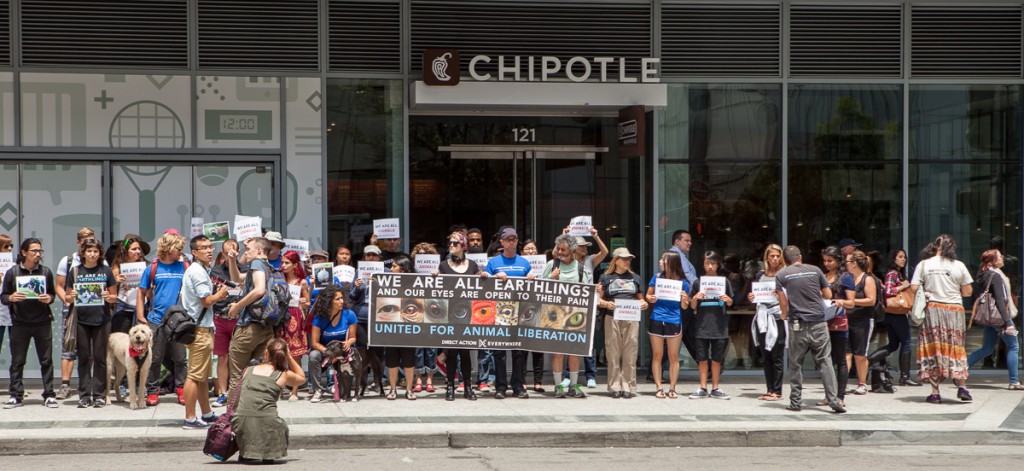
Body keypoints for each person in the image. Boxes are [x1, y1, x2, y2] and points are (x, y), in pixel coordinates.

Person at [775, 245, 845, 413]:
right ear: (800, 257)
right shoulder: (815, 270)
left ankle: (795, 402)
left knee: (795, 364)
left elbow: (783, 302)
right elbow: (828, 295)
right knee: (825, 361)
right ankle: (834, 401)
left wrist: (784, 315)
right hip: (819, 323)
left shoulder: (781, 275)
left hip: (797, 323)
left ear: (784, 260)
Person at [911, 234, 974, 404]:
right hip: (954, 310)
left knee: (932, 347)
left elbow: (914, 287)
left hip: (933, 310)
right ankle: (962, 387)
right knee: (956, 347)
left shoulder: (924, 264)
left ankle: (935, 392)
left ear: (935, 246)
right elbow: (967, 292)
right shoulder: (959, 265)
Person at [0, 238, 58, 408]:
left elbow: (52, 294)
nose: (37, 254)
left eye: (40, 251)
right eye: (34, 251)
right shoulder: (13, 272)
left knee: (46, 360)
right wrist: (11, 298)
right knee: (17, 360)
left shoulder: (45, 272)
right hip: (20, 322)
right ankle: (16, 394)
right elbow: (3, 296)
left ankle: (49, 394)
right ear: (24, 252)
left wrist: (49, 298)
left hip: (42, 322)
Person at [61, 238, 117, 408]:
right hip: (81, 320)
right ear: (83, 253)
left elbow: (114, 296)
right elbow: (68, 297)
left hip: (102, 319)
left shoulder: (106, 271)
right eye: (89, 251)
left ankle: (99, 395)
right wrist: (72, 297)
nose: (92, 254)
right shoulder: (76, 271)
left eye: (95, 251)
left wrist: (109, 297)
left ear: (100, 253)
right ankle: (84, 395)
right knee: (84, 357)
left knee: (100, 358)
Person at [231, 338, 305, 463]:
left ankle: (247, 450)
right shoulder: (283, 374)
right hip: (269, 423)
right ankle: (268, 451)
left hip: (241, 422)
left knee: (252, 418)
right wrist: (290, 357)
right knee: (278, 424)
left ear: (266, 352)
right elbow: (302, 378)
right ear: (283, 354)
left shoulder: (247, 370)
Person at [180, 235, 228, 428]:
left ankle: (206, 413)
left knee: (202, 376)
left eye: (210, 247)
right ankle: (190, 418)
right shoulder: (198, 272)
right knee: (194, 375)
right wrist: (220, 294)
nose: (209, 250)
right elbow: (206, 301)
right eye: (204, 248)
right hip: (200, 330)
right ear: (194, 252)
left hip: (203, 328)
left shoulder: (199, 270)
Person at [137, 230, 189, 407]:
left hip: (178, 320)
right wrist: (140, 315)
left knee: (180, 357)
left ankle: (181, 388)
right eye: (178, 248)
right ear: (168, 248)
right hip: (156, 319)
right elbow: (141, 292)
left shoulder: (184, 267)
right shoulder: (152, 268)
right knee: (154, 358)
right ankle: (152, 391)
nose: (181, 251)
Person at [486, 227, 535, 399]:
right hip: (499, 313)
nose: (511, 242)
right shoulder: (493, 262)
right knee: (499, 352)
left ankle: (518, 386)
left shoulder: (524, 262)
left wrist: (531, 277)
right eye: (508, 239)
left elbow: (533, 285)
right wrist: (493, 276)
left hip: (520, 313)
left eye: (514, 239)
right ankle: (500, 387)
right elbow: (482, 280)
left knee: (518, 352)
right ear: (502, 242)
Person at [541, 233, 591, 398]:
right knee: (558, 353)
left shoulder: (582, 268)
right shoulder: (551, 265)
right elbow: (539, 289)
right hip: (555, 316)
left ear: (573, 250)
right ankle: (558, 386)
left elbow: (588, 293)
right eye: (559, 249)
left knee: (574, 352)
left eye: (564, 249)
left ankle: (575, 385)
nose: (560, 252)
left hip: (576, 317)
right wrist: (551, 278)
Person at [226, 237, 275, 398]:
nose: (245, 252)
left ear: (259, 251)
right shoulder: (269, 267)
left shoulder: (257, 263)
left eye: (248, 249)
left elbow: (259, 290)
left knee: (236, 377)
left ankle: (233, 418)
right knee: (260, 375)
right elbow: (236, 279)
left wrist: (237, 306)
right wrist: (232, 261)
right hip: (265, 328)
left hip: (249, 327)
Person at [54, 227, 98, 401]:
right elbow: (59, 284)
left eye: (92, 241)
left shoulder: (100, 261)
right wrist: (65, 299)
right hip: (72, 310)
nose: (89, 246)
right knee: (69, 347)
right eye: (85, 242)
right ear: (78, 243)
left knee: (91, 349)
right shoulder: (68, 260)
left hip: (93, 310)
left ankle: (87, 383)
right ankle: (65, 385)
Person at [437, 232, 482, 401]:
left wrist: (484, 277)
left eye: (455, 243)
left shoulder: (472, 265)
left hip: (468, 315)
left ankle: (468, 387)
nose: (451, 246)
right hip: (449, 315)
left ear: (463, 246)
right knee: (452, 351)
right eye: (449, 243)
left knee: (465, 352)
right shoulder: (443, 265)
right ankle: (450, 386)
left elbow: (481, 286)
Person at [966, 250, 1020, 389]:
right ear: (992, 262)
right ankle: (1014, 381)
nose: (1002, 258)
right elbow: (1000, 301)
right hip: (1000, 318)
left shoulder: (984, 274)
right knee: (1014, 346)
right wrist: (1007, 322)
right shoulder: (995, 276)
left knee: (987, 348)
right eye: (1000, 257)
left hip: (991, 317)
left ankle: (961, 369)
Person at [597, 247, 646, 398]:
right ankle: (614, 386)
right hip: (612, 317)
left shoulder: (635, 277)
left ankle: (628, 386)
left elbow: (640, 298)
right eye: (624, 259)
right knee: (612, 352)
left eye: (629, 259)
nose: (627, 261)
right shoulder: (605, 278)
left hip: (631, 317)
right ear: (616, 260)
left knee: (630, 352)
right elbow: (598, 299)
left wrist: (644, 303)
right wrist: (606, 304)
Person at [869, 249, 921, 387]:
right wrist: (903, 286)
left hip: (892, 313)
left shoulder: (897, 273)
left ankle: (867, 361)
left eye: (904, 257)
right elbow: (888, 291)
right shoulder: (893, 273)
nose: (903, 259)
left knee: (893, 344)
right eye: (900, 257)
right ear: (893, 259)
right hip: (895, 314)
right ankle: (905, 377)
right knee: (906, 342)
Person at [644, 250, 691, 399]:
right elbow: (647, 295)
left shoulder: (683, 283)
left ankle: (672, 388)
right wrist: (650, 298)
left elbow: (685, 307)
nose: (659, 262)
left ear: (671, 262)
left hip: (674, 320)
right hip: (657, 318)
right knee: (657, 355)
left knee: (673, 356)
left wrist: (684, 300)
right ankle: (658, 387)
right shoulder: (657, 277)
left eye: (662, 260)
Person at [688, 251, 734, 399]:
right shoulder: (697, 283)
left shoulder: (724, 281)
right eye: (707, 263)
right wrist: (695, 298)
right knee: (702, 358)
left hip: (719, 326)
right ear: (703, 264)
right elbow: (692, 305)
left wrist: (728, 300)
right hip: (702, 325)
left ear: (718, 265)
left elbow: (731, 302)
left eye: (713, 263)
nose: (710, 266)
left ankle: (715, 387)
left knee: (716, 359)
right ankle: (702, 387)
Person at [567, 227, 608, 389]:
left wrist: (596, 237)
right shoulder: (567, 261)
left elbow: (604, 252)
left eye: (586, 246)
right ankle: (568, 375)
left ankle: (590, 375)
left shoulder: (590, 260)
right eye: (581, 246)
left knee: (588, 341)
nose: (585, 248)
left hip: (588, 304)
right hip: (571, 305)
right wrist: (565, 235)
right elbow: (556, 254)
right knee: (570, 342)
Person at [307, 284, 358, 403]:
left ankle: (338, 386)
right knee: (313, 355)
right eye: (337, 299)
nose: (342, 301)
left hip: (343, 352)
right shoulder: (319, 318)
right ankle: (318, 390)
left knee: (343, 393)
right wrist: (329, 353)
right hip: (326, 351)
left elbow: (353, 337)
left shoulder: (349, 314)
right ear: (329, 301)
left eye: (342, 298)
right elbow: (314, 343)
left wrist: (349, 342)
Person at [749, 244, 786, 401]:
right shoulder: (760, 275)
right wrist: (752, 297)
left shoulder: (784, 274)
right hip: (762, 317)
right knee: (765, 355)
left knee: (777, 355)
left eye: (778, 256)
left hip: (777, 317)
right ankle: (769, 389)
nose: (775, 259)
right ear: (767, 258)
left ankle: (777, 391)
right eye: (772, 256)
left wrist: (780, 295)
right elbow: (756, 295)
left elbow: (790, 295)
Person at [211, 239, 242, 408]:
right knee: (222, 356)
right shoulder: (215, 271)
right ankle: (223, 393)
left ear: (238, 252)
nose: (230, 254)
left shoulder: (245, 270)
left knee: (238, 357)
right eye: (227, 252)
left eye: (234, 251)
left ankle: (237, 392)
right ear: (222, 253)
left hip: (239, 319)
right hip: (220, 318)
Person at [383, 255, 418, 400]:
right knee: (392, 359)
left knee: (409, 359)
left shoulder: (415, 282)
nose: (391, 269)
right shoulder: (386, 282)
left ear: (402, 270)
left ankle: (409, 390)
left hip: (408, 325)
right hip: (391, 325)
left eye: (394, 267)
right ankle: (393, 389)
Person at [843, 250, 877, 395]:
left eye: (848, 262)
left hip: (863, 320)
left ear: (854, 264)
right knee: (846, 353)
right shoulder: (848, 278)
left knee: (860, 354)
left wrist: (851, 302)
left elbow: (871, 300)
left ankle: (862, 383)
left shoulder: (867, 279)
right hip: (847, 319)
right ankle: (842, 383)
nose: (846, 264)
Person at [278, 250, 310, 401]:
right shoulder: (279, 280)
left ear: (295, 265)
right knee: (280, 354)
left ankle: (294, 391)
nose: (283, 265)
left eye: (287, 263)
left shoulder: (301, 282)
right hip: (281, 318)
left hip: (295, 317)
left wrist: (304, 303)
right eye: (282, 262)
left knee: (295, 355)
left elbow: (308, 302)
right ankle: (280, 389)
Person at [821, 245, 851, 407]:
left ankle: (840, 396)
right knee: (826, 361)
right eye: (824, 261)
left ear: (838, 261)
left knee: (840, 360)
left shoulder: (845, 278)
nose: (827, 264)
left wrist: (840, 302)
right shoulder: (823, 276)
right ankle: (829, 395)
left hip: (839, 322)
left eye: (830, 261)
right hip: (824, 322)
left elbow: (851, 302)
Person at [411, 242, 439, 394]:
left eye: (426, 255)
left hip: (433, 312)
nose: (423, 257)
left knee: (431, 348)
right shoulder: (412, 272)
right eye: (420, 255)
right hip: (415, 312)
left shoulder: (438, 270)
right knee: (417, 348)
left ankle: (429, 380)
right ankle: (418, 380)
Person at [109, 234, 149, 335]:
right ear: (126, 251)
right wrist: (116, 281)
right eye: (134, 249)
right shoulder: (116, 268)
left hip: (142, 307)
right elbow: (109, 291)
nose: (138, 252)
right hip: (123, 307)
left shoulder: (147, 266)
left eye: (139, 249)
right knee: (121, 340)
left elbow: (150, 291)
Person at [520, 239, 546, 392]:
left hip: (539, 311)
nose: (530, 251)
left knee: (538, 349)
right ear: (522, 252)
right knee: (522, 349)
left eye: (533, 249)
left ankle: (538, 382)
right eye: (527, 249)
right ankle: (522, 380)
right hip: (523, 311)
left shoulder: (544, 266)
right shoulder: (519, 265)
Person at [0, 234, 13, 353]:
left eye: (11, 246)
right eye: (6, 246)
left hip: (13, 313)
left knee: (16, 350)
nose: (9, 249)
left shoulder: (14, 267)